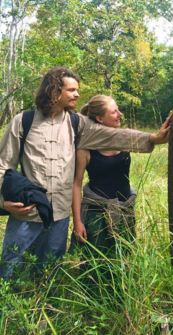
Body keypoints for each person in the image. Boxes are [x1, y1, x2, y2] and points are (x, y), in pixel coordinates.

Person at [0, 67, 171, 291]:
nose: (77, 94)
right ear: (54, 91)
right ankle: (1, 317)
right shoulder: (23, 121)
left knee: (50, 269)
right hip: (27, 211)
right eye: (72, 90)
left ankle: (44, 315)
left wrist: (152, 138)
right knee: (12, 264)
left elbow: (113, 135)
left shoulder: (77, 123)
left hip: (59, 216)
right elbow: (1, 165)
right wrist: (3, 202)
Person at [71, 95, 140, 256]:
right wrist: (78, 222)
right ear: (100, 119)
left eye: (118, 110)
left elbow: (152, 140)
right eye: (114, 112)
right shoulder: (85, 148)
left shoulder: (123, 139)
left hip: (125, 209)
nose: (120, 114)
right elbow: (76, 184)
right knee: (97, 264)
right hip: (96, 213)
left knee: (124, 260)